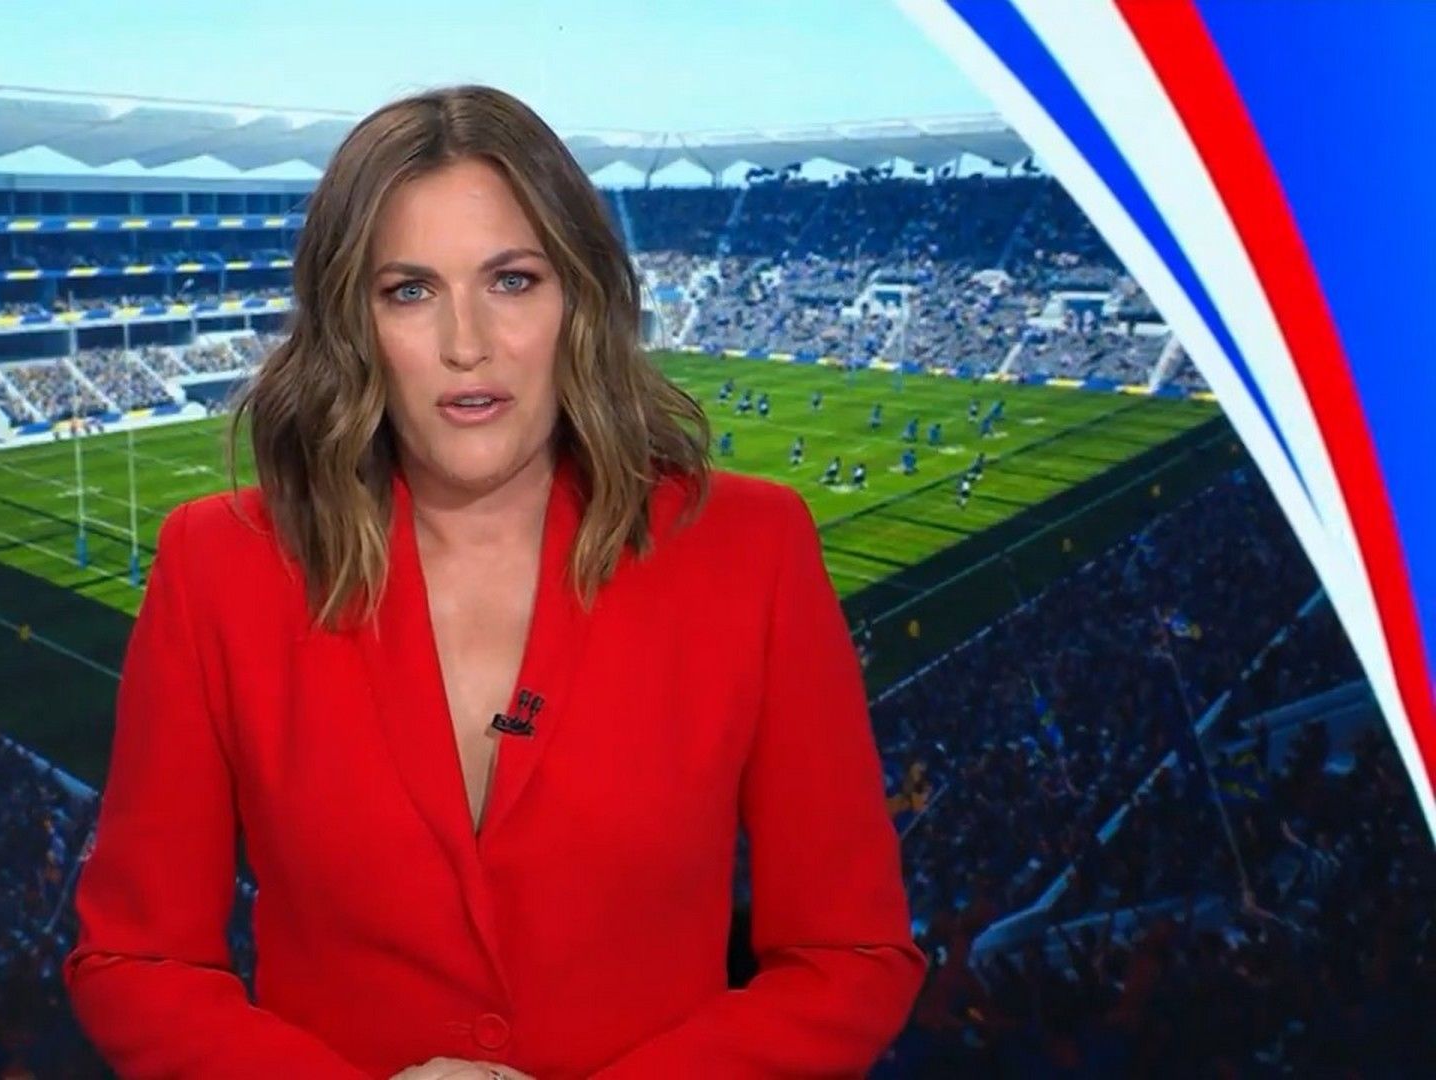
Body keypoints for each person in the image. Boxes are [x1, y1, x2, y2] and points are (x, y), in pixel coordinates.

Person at [64, 84, 923, 1080]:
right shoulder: (218, 564)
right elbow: (137, 960)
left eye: (512, 281)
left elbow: (850, 956)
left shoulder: (750, 547)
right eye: (409, 291)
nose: (466, 343)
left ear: (579, 298)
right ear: (351, 323)